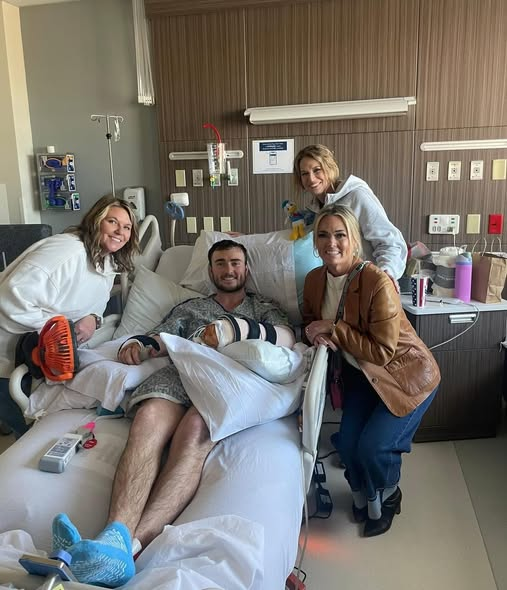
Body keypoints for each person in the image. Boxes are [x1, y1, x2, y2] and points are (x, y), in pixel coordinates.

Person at [52, 239, 295, 587]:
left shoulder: (263, 308)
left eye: (235, 263)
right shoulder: (191, 306)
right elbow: (160, 337)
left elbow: (286, 338)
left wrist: (233, 330)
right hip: (181, 373)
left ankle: (132, 548)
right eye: (221, 263)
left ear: (247, 269)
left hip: (228, 378)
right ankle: (114, 536)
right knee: (147, 420)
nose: (229, 269)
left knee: (196, 432)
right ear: (210, 271)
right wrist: (139, 345)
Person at [303, 204, 440, 537]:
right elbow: (310, 320)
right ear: (315, 242)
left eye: (340, 235)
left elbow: (382, 352)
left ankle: (388, 494)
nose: (331, 243)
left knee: (374, 448)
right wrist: (313, 332)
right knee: (348, 446)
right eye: (323, 235)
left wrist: (334, 328)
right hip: (361, 379)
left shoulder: (375, 281)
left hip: (406, 377)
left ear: (354, 240)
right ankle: (364, 493)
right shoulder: (314, 280)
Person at [0, 195, 139, 438]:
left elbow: (94, 305)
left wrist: (94, 319)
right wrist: (60, 330)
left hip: (40, 354)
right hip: (7, 353)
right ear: (96, 221)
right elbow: (11, 296)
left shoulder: (107, 262)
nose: (120, 232)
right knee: (26, 429)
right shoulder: (68, 251)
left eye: (127, 227)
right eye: (112, 222)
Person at [293, 144, 407, 283]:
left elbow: (391, 243)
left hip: (365, 285)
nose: (311, 179)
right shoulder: (314, 210)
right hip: (337, 287)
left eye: (317, 170)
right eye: (304, 173)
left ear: (330, 169)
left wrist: (383, 276)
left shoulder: (357, 197)